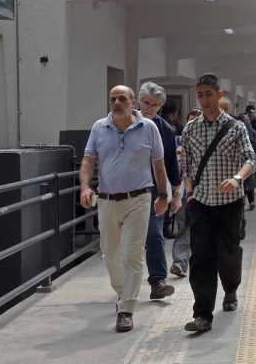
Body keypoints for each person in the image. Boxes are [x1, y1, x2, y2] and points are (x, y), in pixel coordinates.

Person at [79, 85, 169, 333]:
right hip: (107, 200)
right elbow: (88, 160)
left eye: (122, 98)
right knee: (110, 254)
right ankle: (123, 292)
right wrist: (85, 187)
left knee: (132, 254)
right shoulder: (99, 127)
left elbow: (158, 165)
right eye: (113, 99)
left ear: (132, 103)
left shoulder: (149, 128)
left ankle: (127, 309)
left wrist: (164, 195)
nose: (117, 103)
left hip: (139, 198)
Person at [181, 74, 256, 333]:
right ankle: (202, 314)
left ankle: (231, 288)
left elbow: (250, 159)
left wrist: (237, 178)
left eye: (208, 94)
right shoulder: (190, 129)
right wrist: (189, 192)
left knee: (228, 252)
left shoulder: (236, 127)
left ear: (219, 94)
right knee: (201, 257)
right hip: (201, 202)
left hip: (229, 203)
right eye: (200, 95)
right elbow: (187, 165)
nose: (203, 100)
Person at [137, 82, 181, 299]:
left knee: (154, 235)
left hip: (155, 190)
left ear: (160, 106)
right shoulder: (124, 122)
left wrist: (176, 193)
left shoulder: (164, 129)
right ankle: (125, 285)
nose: (149, 108)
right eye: (146, 103)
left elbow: (171, 162)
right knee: (126, 242)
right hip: (125, 190)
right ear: (139, 101)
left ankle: (158, 281)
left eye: (154, 105)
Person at [170, 108, 203, 278]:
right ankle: (180, 262)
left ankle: (204, 263)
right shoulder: (177, 141)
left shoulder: (210, 141)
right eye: (190, 120)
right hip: (184, 192)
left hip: (206, 193)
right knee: (183, 226)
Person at [219, 98, 256, 211]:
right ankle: (248, 202)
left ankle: (247, 203)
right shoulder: (240, 122)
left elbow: (251, 157)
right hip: (232, 167)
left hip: (237, 164)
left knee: (243, 183)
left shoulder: (238, 123)